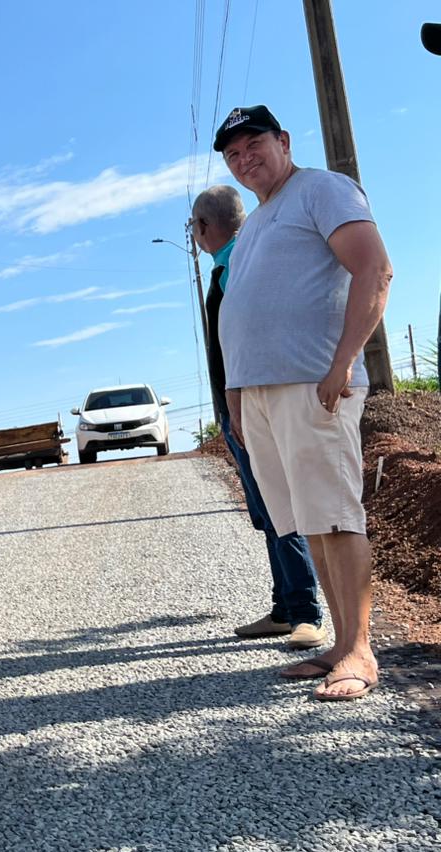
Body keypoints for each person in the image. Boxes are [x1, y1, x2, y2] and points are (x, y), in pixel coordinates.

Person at [213, 104, 393, 701]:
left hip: (314, 383)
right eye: (234, 155)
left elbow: (374, 269)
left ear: (284, 142)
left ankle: (360, 651)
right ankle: (338, 644)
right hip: (263, 395)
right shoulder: (259, 221)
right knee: (308, 522)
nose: (245, 159)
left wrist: (342, 362)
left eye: (254, 145)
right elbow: (242, 315)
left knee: (336, 517)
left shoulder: (321, 189)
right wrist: (238, 397)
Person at [192, 184, 326, 651]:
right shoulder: (231, 264)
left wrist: (241, 406)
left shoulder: (238, 266)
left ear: (204, 227)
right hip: (247, 405)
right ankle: (286, 606)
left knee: (278, 507)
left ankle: (306, 612)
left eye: (194, 227)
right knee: (267, 511)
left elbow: (251, 339)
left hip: (255, 406)